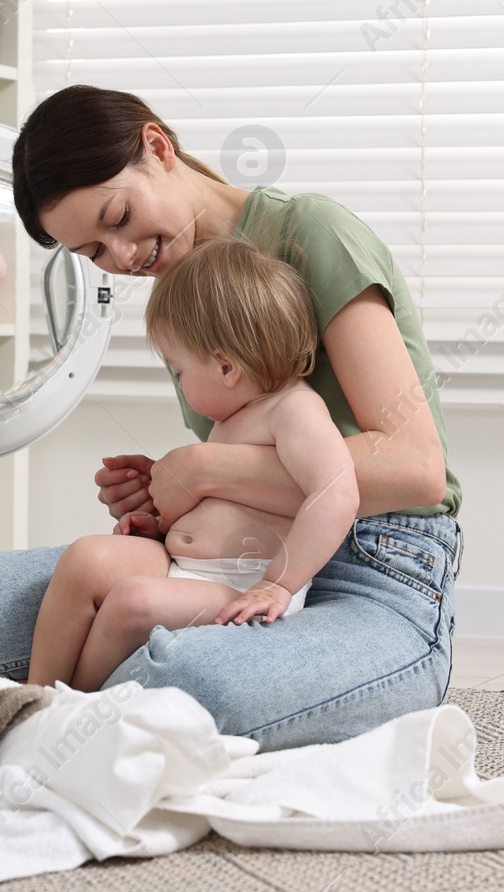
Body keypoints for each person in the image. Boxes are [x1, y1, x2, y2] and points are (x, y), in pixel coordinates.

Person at [0, 85, 464, 751]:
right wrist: (169, 501)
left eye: (118, 216)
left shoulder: (312, 235)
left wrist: (202, 467)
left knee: (192, 684)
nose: (120, 256)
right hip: (235, 563)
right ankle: (91, 704)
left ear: (157, 147)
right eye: (93, 251)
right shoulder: (184, 283)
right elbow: (259, 465)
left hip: (376, 567)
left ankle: (79, 720)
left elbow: (416, 470)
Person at [26, 238, 359, 691]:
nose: (179, 385)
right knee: (85, 558)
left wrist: (278, 585)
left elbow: (336, 491)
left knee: (132, 600)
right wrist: (161, 527)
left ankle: (72, 707)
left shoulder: (293, 411)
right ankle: (36, 693)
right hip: (184, 567)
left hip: (242, 586)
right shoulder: (234, 419)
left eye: (179, 370)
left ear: (226, 368)